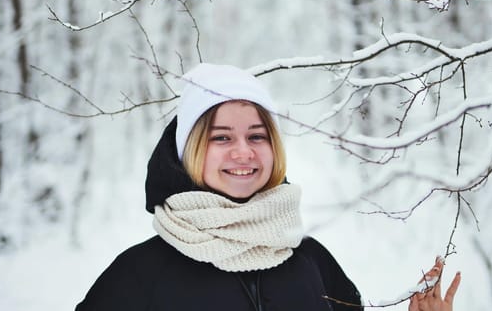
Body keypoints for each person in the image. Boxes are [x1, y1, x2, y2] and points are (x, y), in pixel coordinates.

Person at [75, 63, 461, 311]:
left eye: (257, 137)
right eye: (221, 138)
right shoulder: (139, 274)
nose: (243, 153)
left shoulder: (312, 261)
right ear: (191, 151)